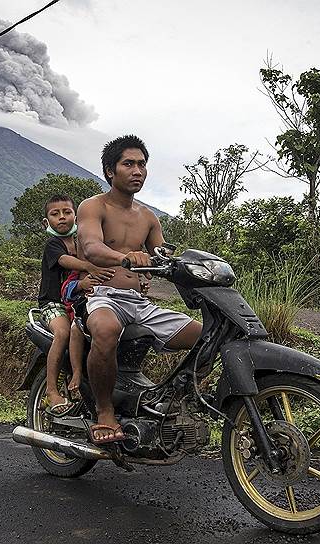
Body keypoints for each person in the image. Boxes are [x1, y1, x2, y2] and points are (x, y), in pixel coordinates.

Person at [76, 135, 203, 444]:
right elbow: (91, 246)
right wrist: (125, 258)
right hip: (103, 297)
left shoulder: (148, 216)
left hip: (139, 303)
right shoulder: (93, 206)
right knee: (105, 330)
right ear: (110, 171)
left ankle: (171, 401)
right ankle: (104, 411)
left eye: (142, 165)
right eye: (128, 164)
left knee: (207, 335)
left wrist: (193, 270)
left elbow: (162, 257)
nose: (137, 171)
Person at [37, 195, 115, 414]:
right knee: (62, 333)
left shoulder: (82, 241)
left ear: (76, 216)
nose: (62, 217)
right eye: (55, 214)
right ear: (46, 222)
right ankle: (51, 390)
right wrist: (89, 266)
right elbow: (64, 261)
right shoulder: (54, 244)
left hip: (77, 302)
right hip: (54, 304)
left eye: (67, 212)